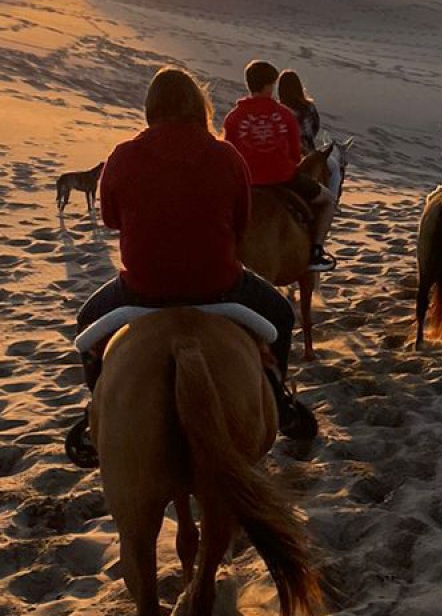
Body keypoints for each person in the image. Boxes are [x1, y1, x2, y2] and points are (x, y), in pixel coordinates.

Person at [67, 67, 310, 461]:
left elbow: (111, 218)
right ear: (200, 107)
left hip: (142, 289)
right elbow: (241, 221)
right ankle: (278, 400)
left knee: (86, 323)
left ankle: (96, 413)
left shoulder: (123, 156)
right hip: (220, 285)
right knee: (281, 315)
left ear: (150, 109)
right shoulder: (225, 155)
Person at [224, 61, 337, 272]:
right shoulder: (285, 115)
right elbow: (295, 155)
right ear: (270, 85)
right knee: (328, 201)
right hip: (283, 178)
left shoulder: (233, 118)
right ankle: (315, 252)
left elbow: (230, 154)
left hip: (246, 181)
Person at [277, 69, 322, 155]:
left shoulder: (279, 110)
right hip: (308, 153)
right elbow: (315, 128)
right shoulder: (310, 107)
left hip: (286, 153)